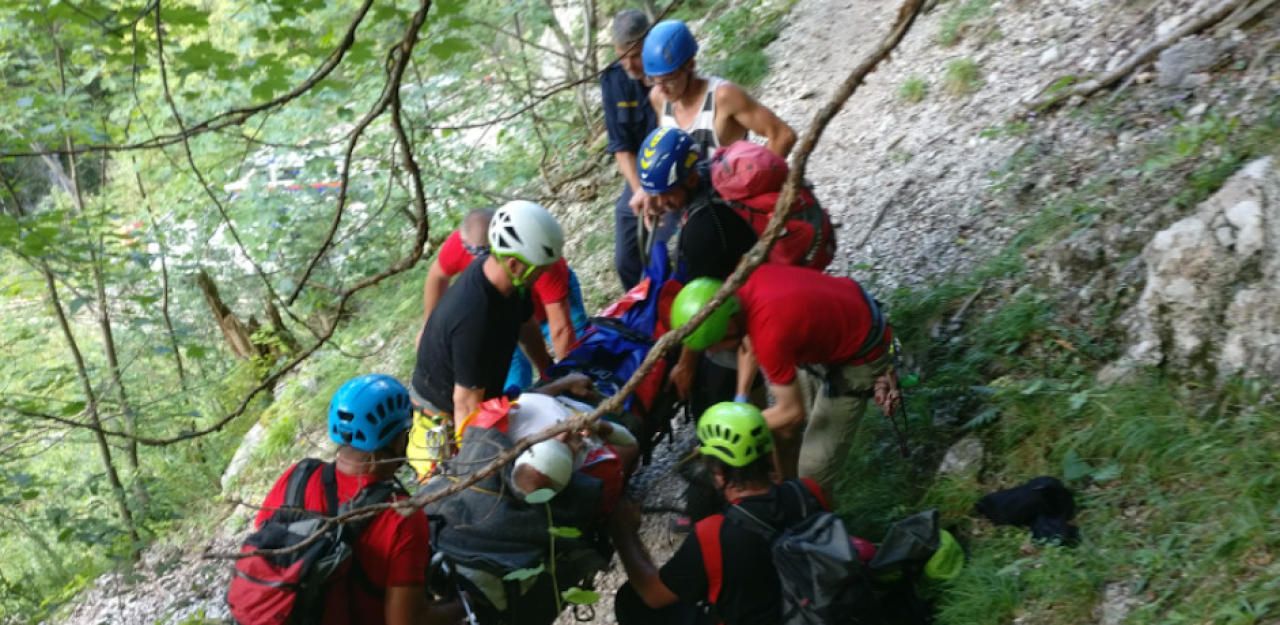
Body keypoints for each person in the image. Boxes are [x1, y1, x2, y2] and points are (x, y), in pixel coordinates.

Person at [669, 266, 902, 495]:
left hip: (861, 352)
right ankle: (788, 493)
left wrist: (727, 434)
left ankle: (811, 514)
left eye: (713, 346)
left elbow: (791, 412)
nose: (712, 353)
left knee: (812, 475)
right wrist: (739, 402)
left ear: (728, 327)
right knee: (786, 432)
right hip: (837, 324)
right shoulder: (738, 288)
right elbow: (747, 346)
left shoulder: (770, 335)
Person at [251, 374, 461, 625]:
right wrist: (464, 605)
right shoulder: (401, 517)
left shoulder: (297, 478)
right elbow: (405, 622)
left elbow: (265, 544)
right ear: (397, 440)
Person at [610, 402, 831, 625]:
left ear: (719, 472)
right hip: (812, 609)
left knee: (631, 599)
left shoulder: (714, 535)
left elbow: (653, 594)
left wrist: (625, 534)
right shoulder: (809, 492)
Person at [408, 200, 564, 477]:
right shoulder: (474, 316)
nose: (542, 276)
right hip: (444, 415)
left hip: (481, 397)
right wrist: (478, 474)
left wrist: (549, 372)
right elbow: (466, 404)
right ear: (515, 264)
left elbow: (526, 325)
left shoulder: (510, 282)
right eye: (539, 270)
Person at [638, 126, 759, 420]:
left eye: (666, 194)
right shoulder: (708, 173)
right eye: (655, 194)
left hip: (745, 306)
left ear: (690, 179)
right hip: (751, 274)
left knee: (711, 392)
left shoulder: (702, 230)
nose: (660, 202)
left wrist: (687, 365)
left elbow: (704, 306)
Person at [635, 20, 796, 217]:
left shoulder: (723, 97)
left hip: (732, 207)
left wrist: (753, 184)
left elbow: (782, 135)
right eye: (653, 80)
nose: (661, 88)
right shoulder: (658, 98)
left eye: (668, 79)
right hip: (689, 203)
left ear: (690, 65)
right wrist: (651, 188)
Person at [418, 207, 588, 390]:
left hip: (546, 307)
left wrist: (563, 377)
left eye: (487, 251)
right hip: (500, 315)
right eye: (473, 252)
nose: (482, 259)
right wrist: (428, 324)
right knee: (512, 381)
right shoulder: (461, 246)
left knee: (579, 354)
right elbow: (437, 275)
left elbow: (561, 329)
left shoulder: (539, 259)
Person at [602, 9, 678, 290]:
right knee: (626, 258)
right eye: (622, 56)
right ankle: (643, 316)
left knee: (661, 249)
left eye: (635, 55)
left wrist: (659, 190)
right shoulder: (613, 80)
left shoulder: (671, 69)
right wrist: (640, 191)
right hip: (639, 176)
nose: (629, 64)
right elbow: (622, 147)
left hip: (676, 169)